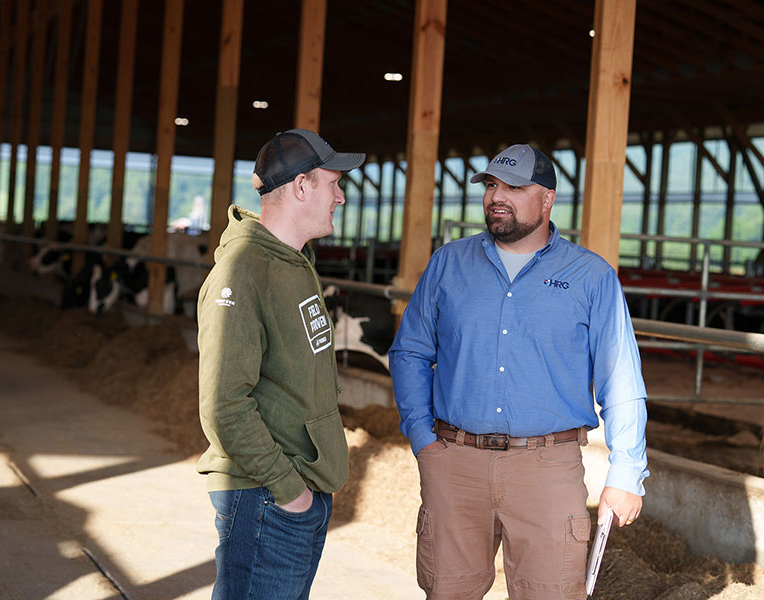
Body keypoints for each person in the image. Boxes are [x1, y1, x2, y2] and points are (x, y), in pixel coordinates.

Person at [389, 143, 648, 600]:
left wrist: (625, 472)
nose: (496, 197)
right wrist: (422, 439)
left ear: (547, 198)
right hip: (455, 462)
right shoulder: (449, 263)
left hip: (547, 469)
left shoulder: (591, 277)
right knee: (447, 592)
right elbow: (410, 352)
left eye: (513, 187)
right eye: (491, 186)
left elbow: (620, 379)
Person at [196, 128, 365, 599]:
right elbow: (224, 405)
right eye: (334, 184)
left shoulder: (293, 261)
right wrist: (289, 492)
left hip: (297, 490)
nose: (341, 198)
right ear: (301, 186)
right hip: (265, 497)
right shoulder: (244, 269)